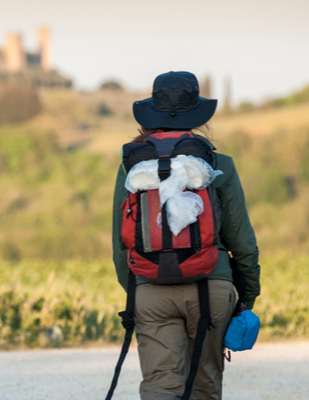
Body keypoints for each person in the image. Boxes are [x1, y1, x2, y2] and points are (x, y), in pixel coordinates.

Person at [111, 71, 261, 400]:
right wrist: (247, 294)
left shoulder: (133, 168)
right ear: (197, 116)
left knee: (160, 387)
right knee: (204, 386)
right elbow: (242, 241)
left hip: (151, 290)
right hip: (212, 287)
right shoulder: (219, 165)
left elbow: (119, 246)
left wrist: (140, 290)